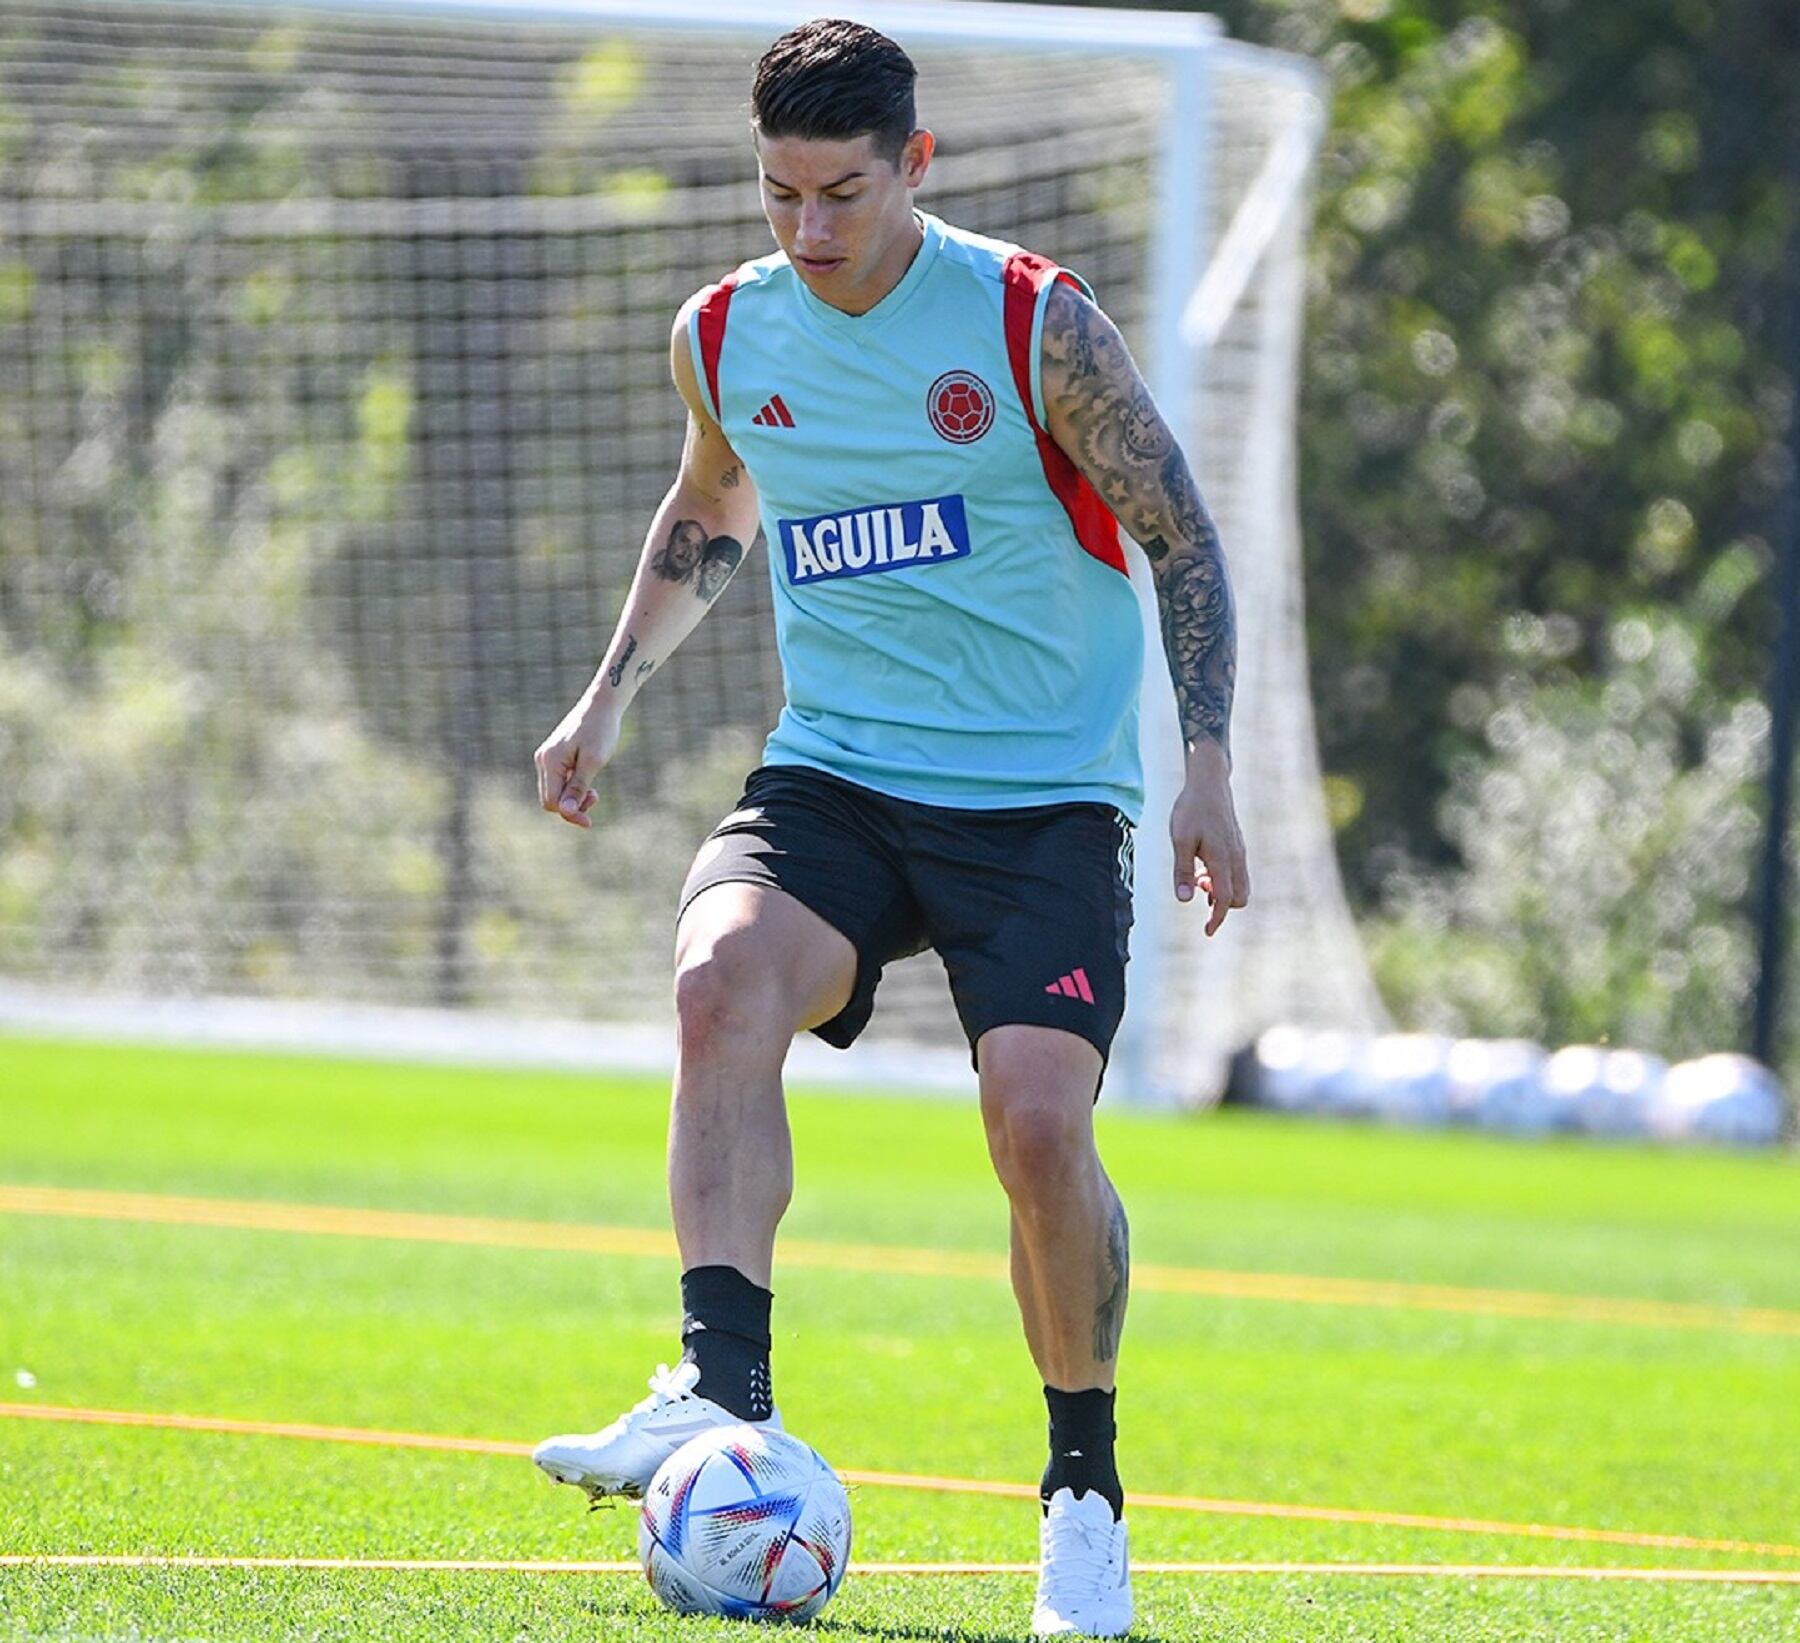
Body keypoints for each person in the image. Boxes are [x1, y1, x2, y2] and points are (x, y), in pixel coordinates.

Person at [529, 19, 1247, 1637]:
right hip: (841, 776)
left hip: (1042, 797)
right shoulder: (725, 331)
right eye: (780, 193)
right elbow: (712, 500)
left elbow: (1182, 537)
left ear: (915, 164)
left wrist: (1205, 765)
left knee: (1038, 1130)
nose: (810, 229)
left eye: (844, 193)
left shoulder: (1031, 324)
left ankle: (1082, 1498)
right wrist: (605, 700)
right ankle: (719, 1395)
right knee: (718, 979)